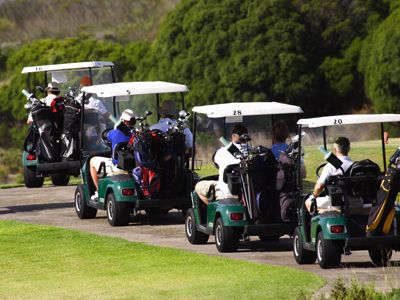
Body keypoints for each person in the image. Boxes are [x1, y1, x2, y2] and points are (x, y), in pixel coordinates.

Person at [89, 109, 136, 201]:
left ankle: (98, 191)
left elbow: (107, 137)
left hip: (118, 166)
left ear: (122, 121)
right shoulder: (136, 134)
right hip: (133, 165)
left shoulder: (114, 133)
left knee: (92, 161)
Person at [195, 124, 248, 204]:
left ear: (233, 136)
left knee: (198, 186)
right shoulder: (252, 152)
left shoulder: (222, 152)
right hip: (247, 191)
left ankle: (211, 210)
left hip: (226, 192)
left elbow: (216, 162)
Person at [305, 136, 353, 213]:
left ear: (335, 150)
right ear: (349, 148)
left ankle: (311, 223)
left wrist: (313, 196)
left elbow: (319, 186)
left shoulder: (330, 166)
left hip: (336, 202)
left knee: (308, 202)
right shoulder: (354, 165)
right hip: (355, 201)